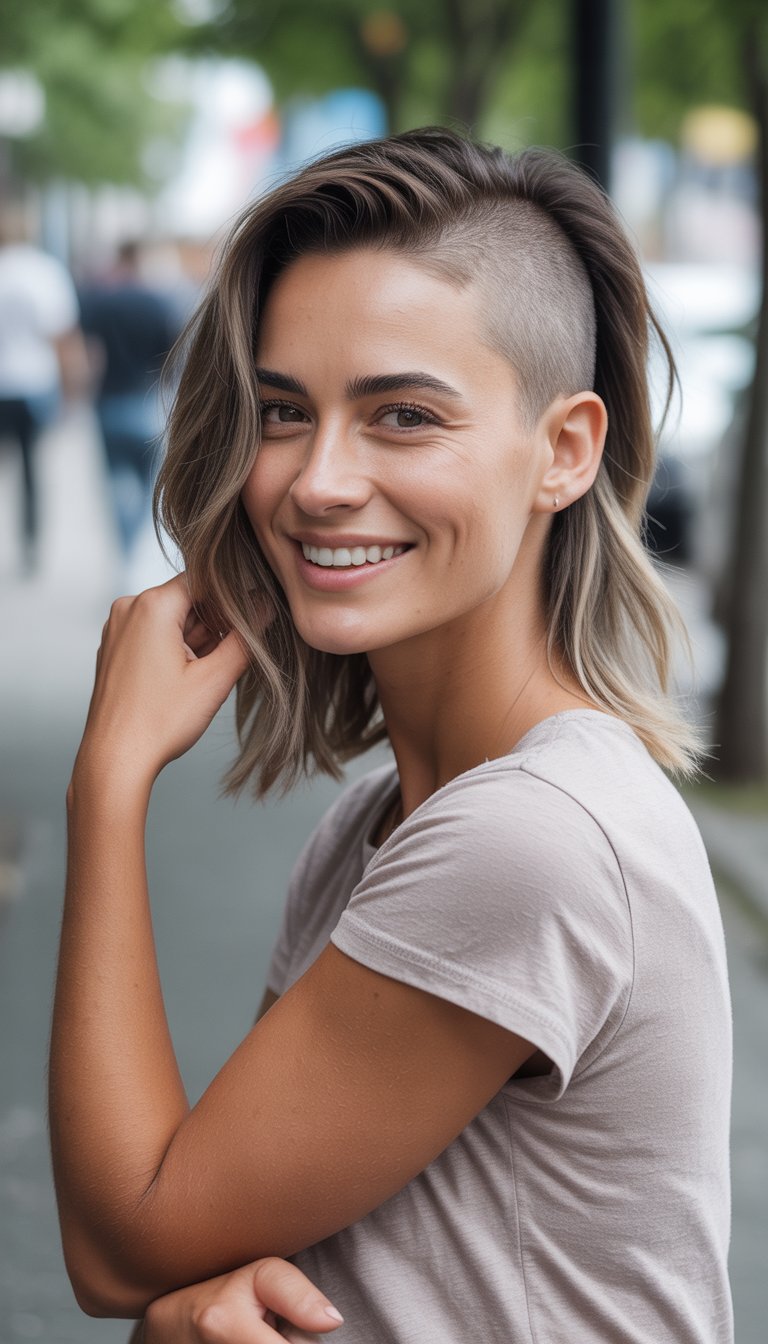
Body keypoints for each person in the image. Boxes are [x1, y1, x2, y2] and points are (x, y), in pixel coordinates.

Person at [49, 128, 733, 1343]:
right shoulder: (388, 820)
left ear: (564, 451)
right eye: (282, 411)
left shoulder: (525, 841)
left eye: (403, 416)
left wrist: (107, 785)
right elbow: (207, 1235)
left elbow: (124, 1242)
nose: (316, 481)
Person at [78, 241, 181, 563]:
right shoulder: (158, 303)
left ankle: (125, 553)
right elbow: (172, 356)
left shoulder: (102, 302)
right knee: (151, 484)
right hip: (147, 401)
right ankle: (136, 550)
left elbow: (88, 353)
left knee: (114, 482)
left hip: (108, 401)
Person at [0, 210, 87, 572]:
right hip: (34, 382)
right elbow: (61, 336)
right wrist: (71, 391)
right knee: (31, 470)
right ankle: (30, 543)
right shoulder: (44, 272)